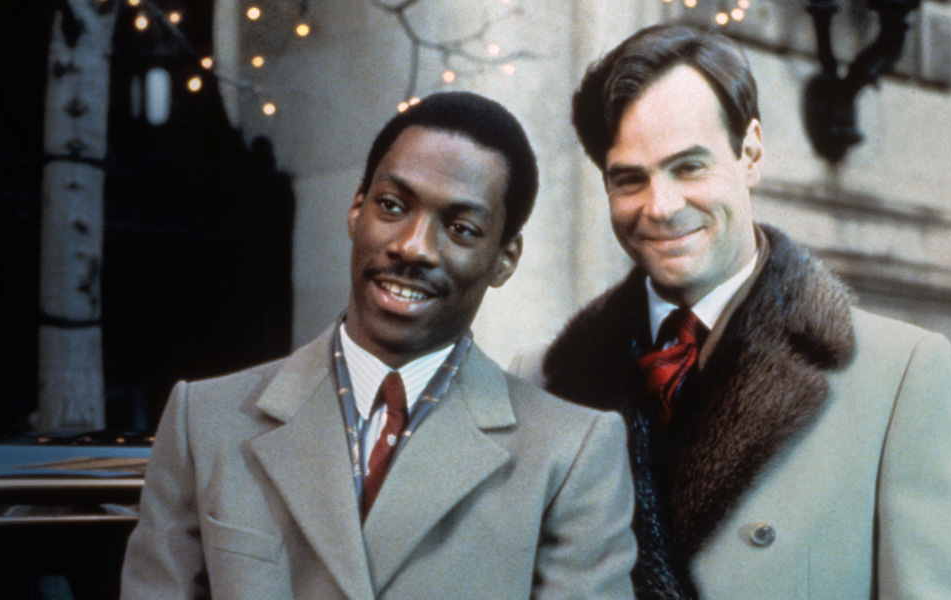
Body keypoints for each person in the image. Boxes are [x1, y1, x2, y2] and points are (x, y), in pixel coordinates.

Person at [513, 23, 951, 599]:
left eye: (689, 167)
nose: (662, 206)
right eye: (629, 179)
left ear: (751, 153)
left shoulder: (900, 377)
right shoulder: (543, 382)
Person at [121, 92, 637, 599]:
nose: (413, 247)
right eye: (392, 206)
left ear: (504, 258)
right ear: (356, 209)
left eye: (461, 229)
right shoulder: (203, 422)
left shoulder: (573, 454)